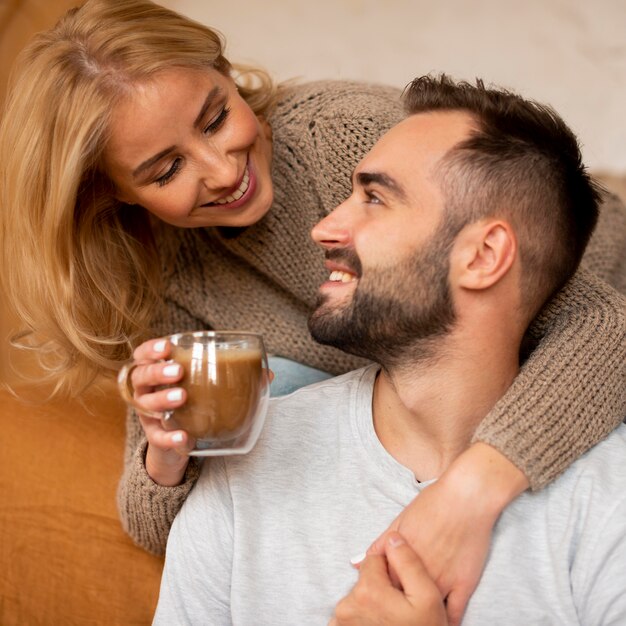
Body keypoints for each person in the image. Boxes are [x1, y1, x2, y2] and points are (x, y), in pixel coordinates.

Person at [0, 0, 624, 619]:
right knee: (262, 406)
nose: (221, 171)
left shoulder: (349, 139)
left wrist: (464, 495)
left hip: (592, 269)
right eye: (167, 169)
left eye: (217, 118)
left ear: (226, 70)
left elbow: (606, 326)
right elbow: (159, 522)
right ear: (110, 192)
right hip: (389, 386)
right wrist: (166, 454)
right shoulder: (159, 280)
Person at [153, 74, 626, 626]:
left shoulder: (608, 497)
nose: (323, 228)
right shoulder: (249, 464)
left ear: (482, 256)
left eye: (374, 198)